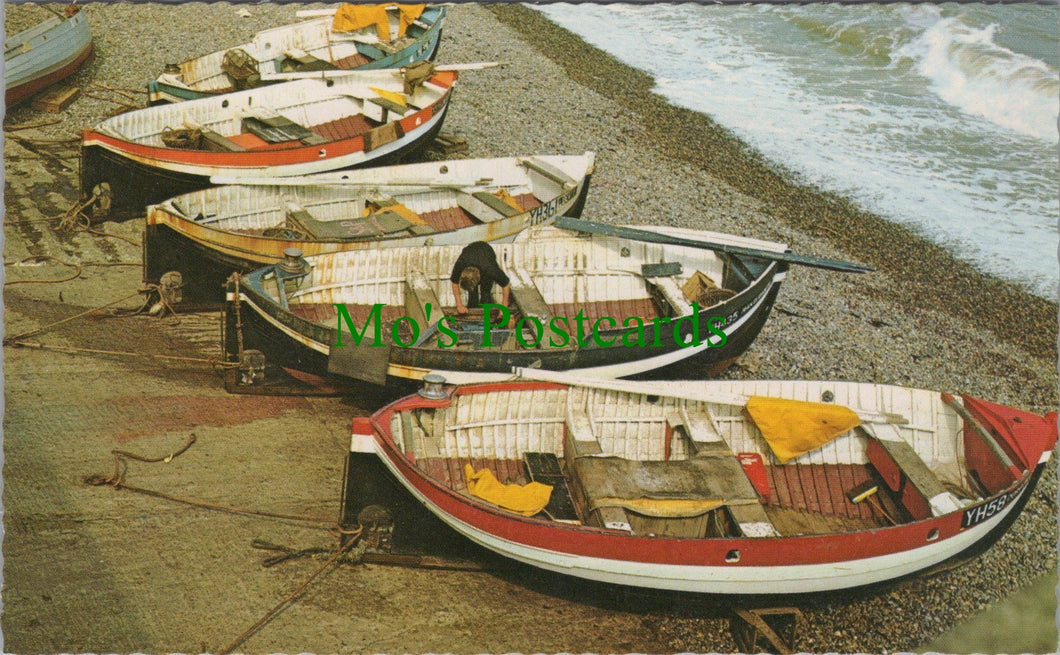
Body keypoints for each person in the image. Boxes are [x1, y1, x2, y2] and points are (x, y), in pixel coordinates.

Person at [450, 241, 510, 315]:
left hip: (487, 251)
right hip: (471, 251)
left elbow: (506, 284)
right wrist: (459, 305)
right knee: (472, 299)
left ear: (479, 276)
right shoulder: (461, 264)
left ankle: (486, 306)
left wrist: (504, 307)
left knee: (485, 294)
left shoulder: (490, 269)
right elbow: (454, 282)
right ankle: (473, 307)